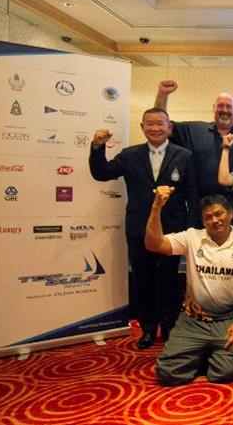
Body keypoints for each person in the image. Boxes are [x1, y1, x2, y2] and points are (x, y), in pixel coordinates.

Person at [88, 108, 197, 350]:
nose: (155, 128)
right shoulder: (129, 155)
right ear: (142, 127)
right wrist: (97, 148)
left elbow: (193, 194)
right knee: (144, 279)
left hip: (172, 231)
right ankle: (148, 330)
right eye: (150, 124)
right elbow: (101, 173)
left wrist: (190, 229)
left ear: (169, 128)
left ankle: (169, 327)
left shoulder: (185, 156)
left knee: (170, 280)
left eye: (161, 124)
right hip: (138, 229)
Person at [146, 190, 233, 386]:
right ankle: (203, 352)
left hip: (227, 319)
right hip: (193, 319)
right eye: (208, 217)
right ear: (202, 220)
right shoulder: (191, 237)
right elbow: (154, 244)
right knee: (167, 373)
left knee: (227, 373)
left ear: (230, 213)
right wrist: (156, 208)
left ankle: (204, 354)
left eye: (219, 214)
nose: (214, 220)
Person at [154, 80, 233, 231]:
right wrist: (163, 94)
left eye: (229, 106)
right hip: (201, 212)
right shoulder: (194, 130)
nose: (224, 110)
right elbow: (161, 122)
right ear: (213, 109)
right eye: (220, 106)